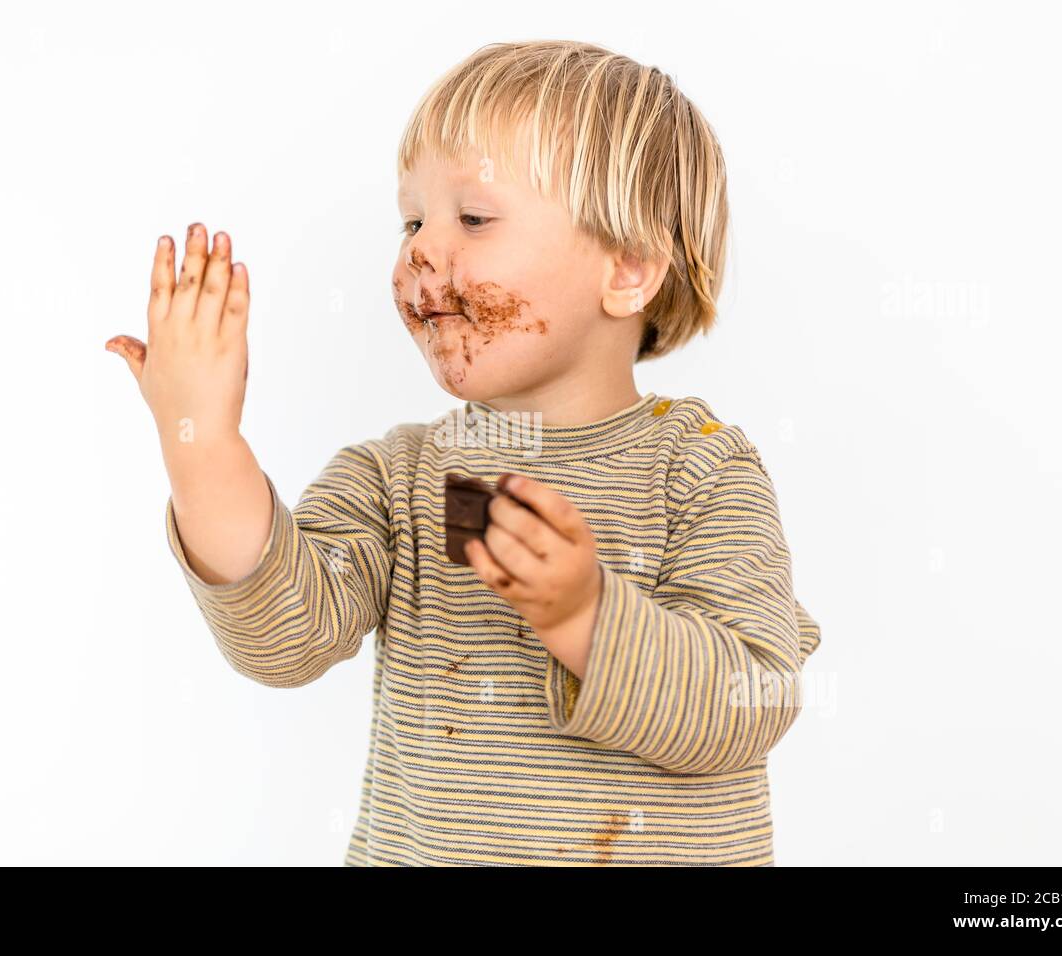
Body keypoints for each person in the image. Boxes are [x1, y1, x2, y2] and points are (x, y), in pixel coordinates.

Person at [106, 39, 822, 866]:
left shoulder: (699, 469)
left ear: (627, 270)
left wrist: (586, 617)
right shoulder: (397, 478)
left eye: (472, 218)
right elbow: (283, 640)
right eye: (412, 220)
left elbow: (753, 700)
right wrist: (201, 440)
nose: (418, 249)